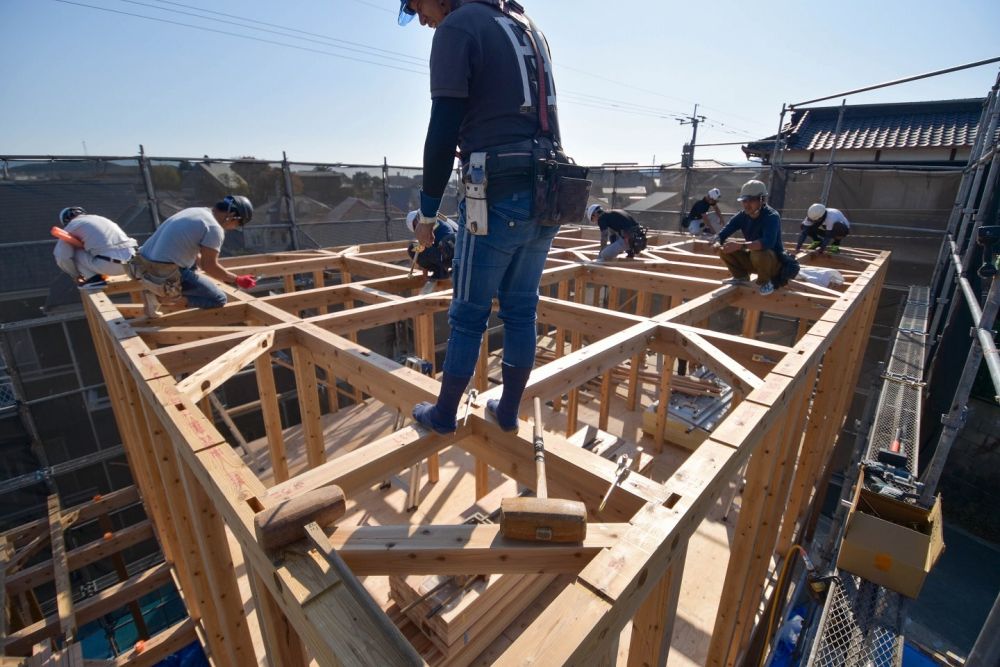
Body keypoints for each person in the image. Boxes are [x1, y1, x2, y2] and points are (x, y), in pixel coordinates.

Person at [399, 0, 583, 434]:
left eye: (417, 4)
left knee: (467, 313)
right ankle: (507, 412)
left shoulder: (459, 26)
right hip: (549, 191)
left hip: (497, 191)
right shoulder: (526, 25)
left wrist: (427, 213)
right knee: (521, 309)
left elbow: (442, 130)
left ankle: (444, 415)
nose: (421, 17)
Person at [130, 195, 256, 311]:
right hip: (164, 272)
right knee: (218, 299)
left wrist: (224, 276)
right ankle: (161, 298)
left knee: (194, 266)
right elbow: (209, 266)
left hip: (142, 264)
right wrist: (237, 279)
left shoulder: (195, 211)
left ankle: (160, 289)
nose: (234, 228)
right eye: (238, 224)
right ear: (232, 215)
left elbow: (192, 251)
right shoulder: (214, 228)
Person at [713, 179, 783, 296]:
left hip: (773, 264)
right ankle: (741, 277)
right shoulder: (742, 216)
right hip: (755, 261)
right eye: (744, 201)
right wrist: (717, 241)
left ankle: (766, 282)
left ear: (762, 200)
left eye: (751, 201)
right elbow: (723, 233)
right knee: (724, 248)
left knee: (758, 252)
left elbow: (768, 243)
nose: (746, 204)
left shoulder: (771, 216)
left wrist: (740, 246)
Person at [53, 207, 137, 287]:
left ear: (66, 221)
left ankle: (94, 280)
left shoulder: (72, 225)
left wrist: (75, 275)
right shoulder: (101, 219)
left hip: (110, 266)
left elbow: (62, 257)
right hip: (134, 264)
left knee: (71, 251)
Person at [404, 210, 458, 280]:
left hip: (448, 252)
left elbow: (424, 249)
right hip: (459, 254)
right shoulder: (441, 218)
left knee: (412, 248)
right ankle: (448, 270)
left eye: (415, 224)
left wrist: (425, 275)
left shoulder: (428, 225)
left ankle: (441, 272)